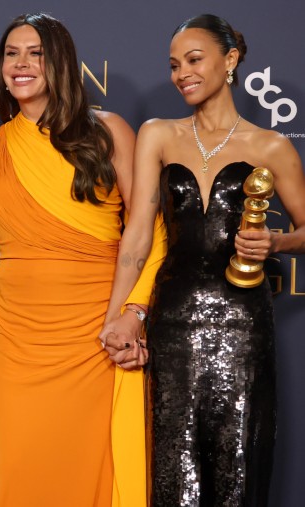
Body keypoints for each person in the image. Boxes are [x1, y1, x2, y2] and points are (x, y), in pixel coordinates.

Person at [105, 14, 305, 505]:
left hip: (243, 323)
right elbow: (137, 237)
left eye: (194, 60)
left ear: (230, 60)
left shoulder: (271, 145)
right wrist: (120, 314)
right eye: (174, 65)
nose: (182, 74)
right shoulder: (157, 133)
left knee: (238, 466)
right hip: (172, 320)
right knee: (174, 472)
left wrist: (276, 244)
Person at [0, 13, 167, 506]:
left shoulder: (107, 130)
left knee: (83, 468)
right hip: (13, 336)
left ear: (59, 61)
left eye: (35, 53)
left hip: (92, 333)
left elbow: (149, 233)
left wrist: (130, 313)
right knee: (19, 469)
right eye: (12, 53)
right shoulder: (1, 142)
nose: (21, 64)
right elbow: (3, 243)